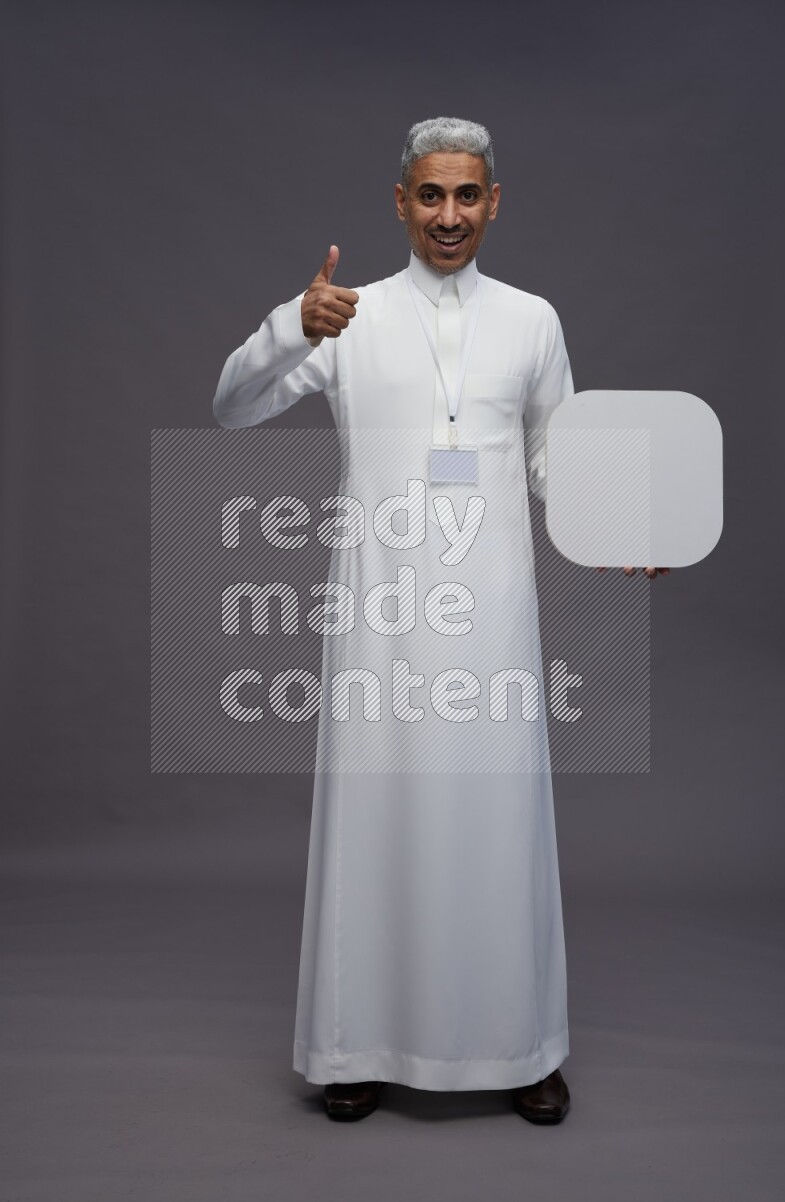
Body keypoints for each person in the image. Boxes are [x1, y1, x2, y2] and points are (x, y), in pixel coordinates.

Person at [212, 116, 666, 1125]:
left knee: (498, 827)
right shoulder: (348, 314)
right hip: (379, 614)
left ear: (493, 201)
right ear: (400, 202)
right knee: (376, 825)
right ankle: (355, 1046)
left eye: (467, 196)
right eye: (429, 195)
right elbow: (231, 405)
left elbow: (556, 462)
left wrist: (621, 522)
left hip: (493, 620)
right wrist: (291, 323)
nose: (448, 215)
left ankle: (521, 1047)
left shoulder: (532, 321)